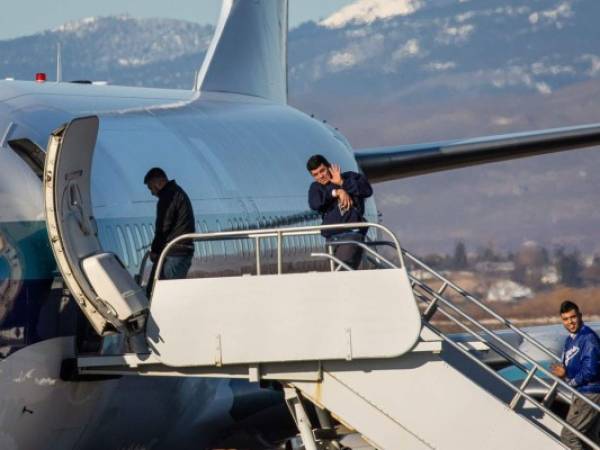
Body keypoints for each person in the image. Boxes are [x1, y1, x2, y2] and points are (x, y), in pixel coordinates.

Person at [306, 154, 372, 269]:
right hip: (331, 238)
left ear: (329, 167)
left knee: (343, 270)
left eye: (322, 171)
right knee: (337, 272)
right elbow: (315, 203)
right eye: (315, 175)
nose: (320, 176)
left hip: (351, 234)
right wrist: (337, 192)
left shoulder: (350, 177)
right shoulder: (317, 188)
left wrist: (342, 183)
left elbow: (367, 190)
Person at [551, 300, 600, 449]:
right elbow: (568, 366)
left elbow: (591, 370)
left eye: (573, 317)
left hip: (589, 392)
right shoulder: (571, 339)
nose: (570, 322)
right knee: (589, 438)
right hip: (582, 391)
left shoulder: (588, 338)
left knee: (569, 436)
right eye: (565, 319)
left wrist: (570, 381)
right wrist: (563, 374)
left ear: (580, 316)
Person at [144, 168, 195, 284]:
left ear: (159, 182)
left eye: (151, 188)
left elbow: (163, 226)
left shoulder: (168, 197)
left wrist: (155, 250)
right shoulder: (177, 192)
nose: (152, 193)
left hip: (174, 253)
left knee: (162, 291)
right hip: (181, 251)